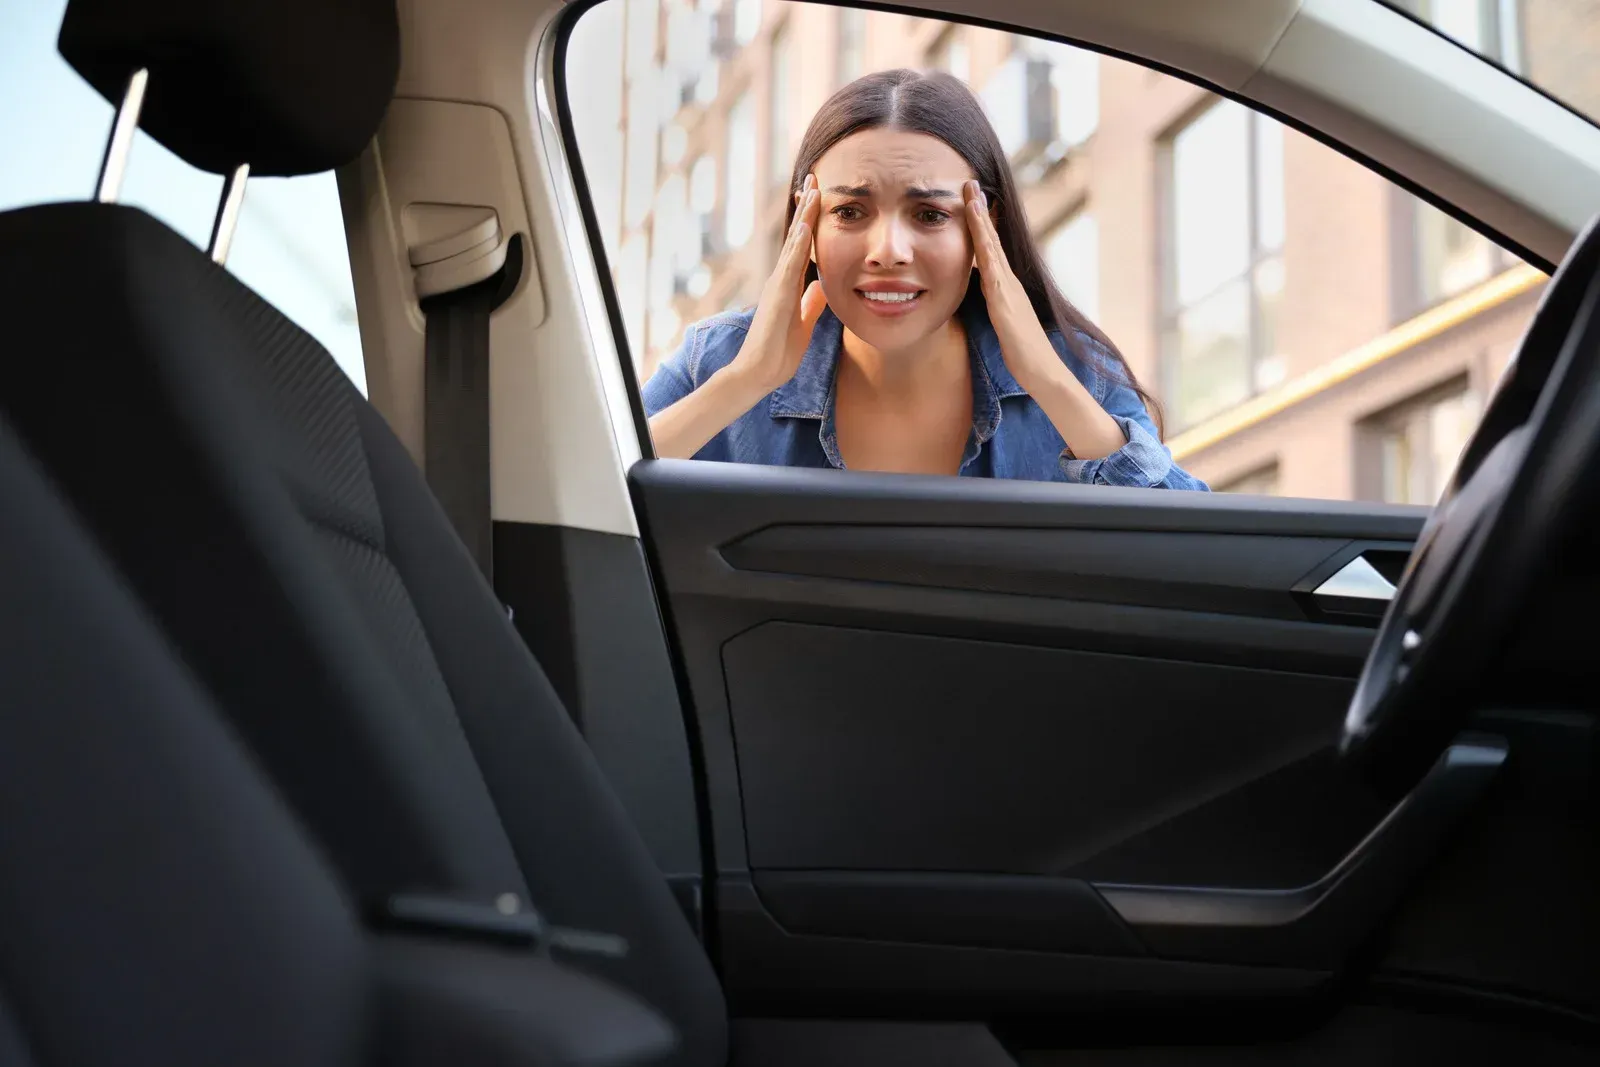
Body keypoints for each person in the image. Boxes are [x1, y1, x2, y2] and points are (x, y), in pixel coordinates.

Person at [642, 68, 1208, 490]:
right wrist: (744, 382)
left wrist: (1049, 382)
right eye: (849, 212)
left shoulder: (1076, 371)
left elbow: (1199, 564)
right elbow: (572, 511)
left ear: (984, 232)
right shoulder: (713, 362)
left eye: (931, 215)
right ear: (806, 226)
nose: (888, 251)